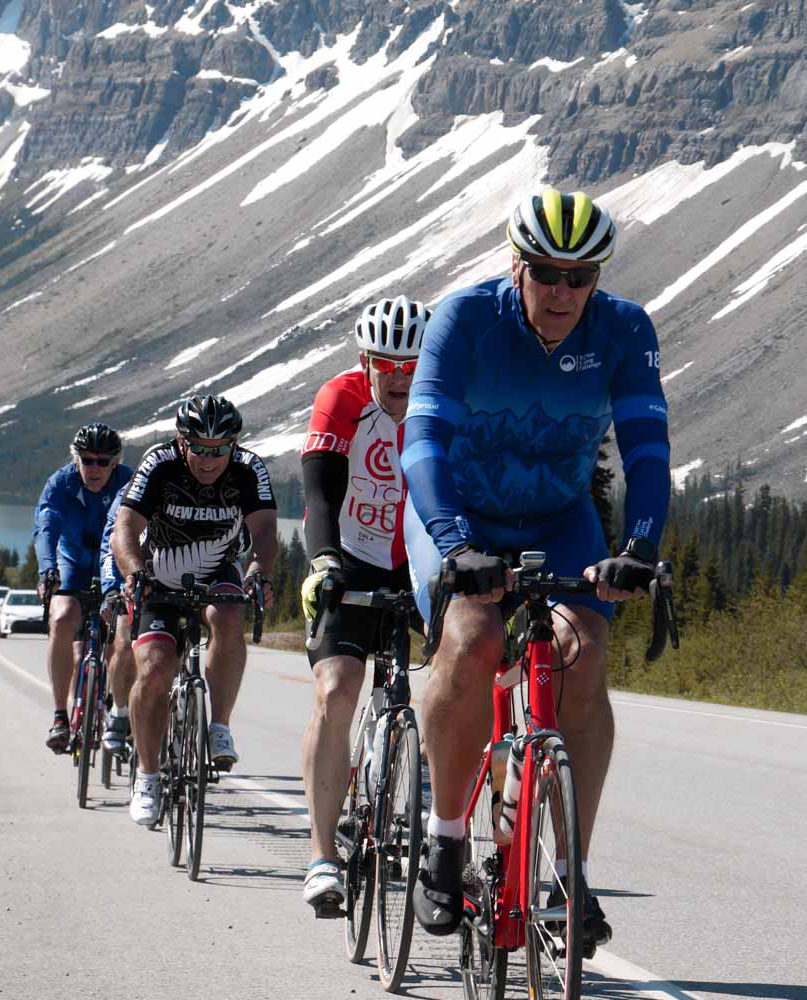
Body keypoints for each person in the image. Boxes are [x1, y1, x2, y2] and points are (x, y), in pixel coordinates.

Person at [401, 188, 670, 950]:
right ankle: (446, 842)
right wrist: (455, 544)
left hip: (560, 519)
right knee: (473, 637)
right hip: (459, 515)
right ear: (515, 266)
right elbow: (421, 441)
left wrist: (640, 548)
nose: (562, 292)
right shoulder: (466, 320)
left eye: (579, 277)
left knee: (584, 651)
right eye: (546, 273)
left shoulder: (623, 329)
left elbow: (649, 448)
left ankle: (566, 871)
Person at [297, 295, 431, 915]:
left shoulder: (441, 399)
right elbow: (320, 494)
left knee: (451, 684)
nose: (401, 377)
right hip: (349, 555)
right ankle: (324, 857)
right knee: (337, 689)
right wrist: (324, 562)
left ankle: (440, 828)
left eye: (413, 364)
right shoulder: (342, 398)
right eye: (388, 364)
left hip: (417, 559)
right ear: (366, 360)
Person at [112, 394, 278, 826]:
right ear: (181, 442)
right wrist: (133, 572)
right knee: (154, 668)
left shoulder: (248, 468)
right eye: (199, 448)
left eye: (220, 448)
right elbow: (127, 526)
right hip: (159, 572)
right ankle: (147, 777)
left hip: (218, 568)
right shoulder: (159, 463)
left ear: (234, 445)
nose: (209, 458)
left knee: (229, 615)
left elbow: (263, 529)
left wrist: (259, 570)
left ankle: (219, 726)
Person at [34, 423, 133, 753]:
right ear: (76, 460)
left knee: (121, 629)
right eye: (87, 460)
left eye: (103, 462)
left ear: (115, 463)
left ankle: (113, 700)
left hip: (114, 562)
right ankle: (61, 716)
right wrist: (47, 570)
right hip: (72, 561)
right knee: (62, 619)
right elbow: (46, 527)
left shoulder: (129, 482)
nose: (95, 468)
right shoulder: (62, 483)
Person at [98, 491, 135, 753]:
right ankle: (120, 711)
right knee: (123, 635)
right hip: (130, 578)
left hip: (172, 577)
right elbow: (111, 546)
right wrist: (111, 589)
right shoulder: (133, 490)